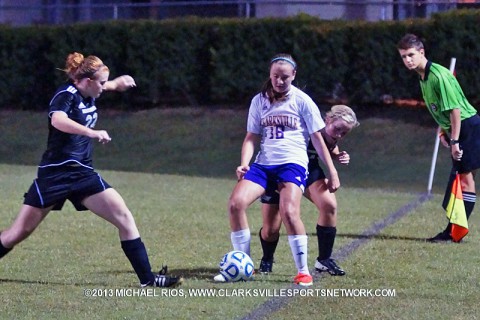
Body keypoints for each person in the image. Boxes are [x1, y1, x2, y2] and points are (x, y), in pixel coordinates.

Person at [0, 52, 182, 287]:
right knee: (18, 233)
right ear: (87, 82)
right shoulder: (65, 95)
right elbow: (58, 120)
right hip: (55, 173)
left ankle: (148, 280)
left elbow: (105, 85)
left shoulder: (89, 89)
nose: (104, 88)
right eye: (102, 83)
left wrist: (118, 84)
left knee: (125, 218)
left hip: (83, 174)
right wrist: (92, 132)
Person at [214, 53, 340, 286]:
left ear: (293, 75)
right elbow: (251, 136)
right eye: (275, 76)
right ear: (270, 76)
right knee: (235, 204)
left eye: (284, 77)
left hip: (293, 163)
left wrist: (332, 171)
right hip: (263, 165)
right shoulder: (259, 100)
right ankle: (245, 267)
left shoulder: (302, 100)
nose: (279, 81)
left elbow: (319, 139)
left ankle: (303, 272)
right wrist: (244, 162)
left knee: (289, 212)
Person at [397, 34, 480, 242]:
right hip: (461, 128)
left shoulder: (438, 75)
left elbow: (455, 111)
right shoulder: (422, 75)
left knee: (464, 180)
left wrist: (454, 141)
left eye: (411, 55)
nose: (407, 60)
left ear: (422, 52)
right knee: (462, 179)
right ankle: (453, 232)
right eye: (403, 56)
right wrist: (443, 130)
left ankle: (454, 234)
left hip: (467, 127)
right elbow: (441, 109)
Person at [258, 105, 359, 275]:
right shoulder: (305, 125)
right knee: (271, 230)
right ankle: (267, 258)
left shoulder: (331, 135)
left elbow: (329, 146)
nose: (339, 135)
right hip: (282, 169)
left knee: (329, 205)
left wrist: (338, 155)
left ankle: (324, 260)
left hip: (309, 170)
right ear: (327, 120)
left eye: (344, 133)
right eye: (337, 129)